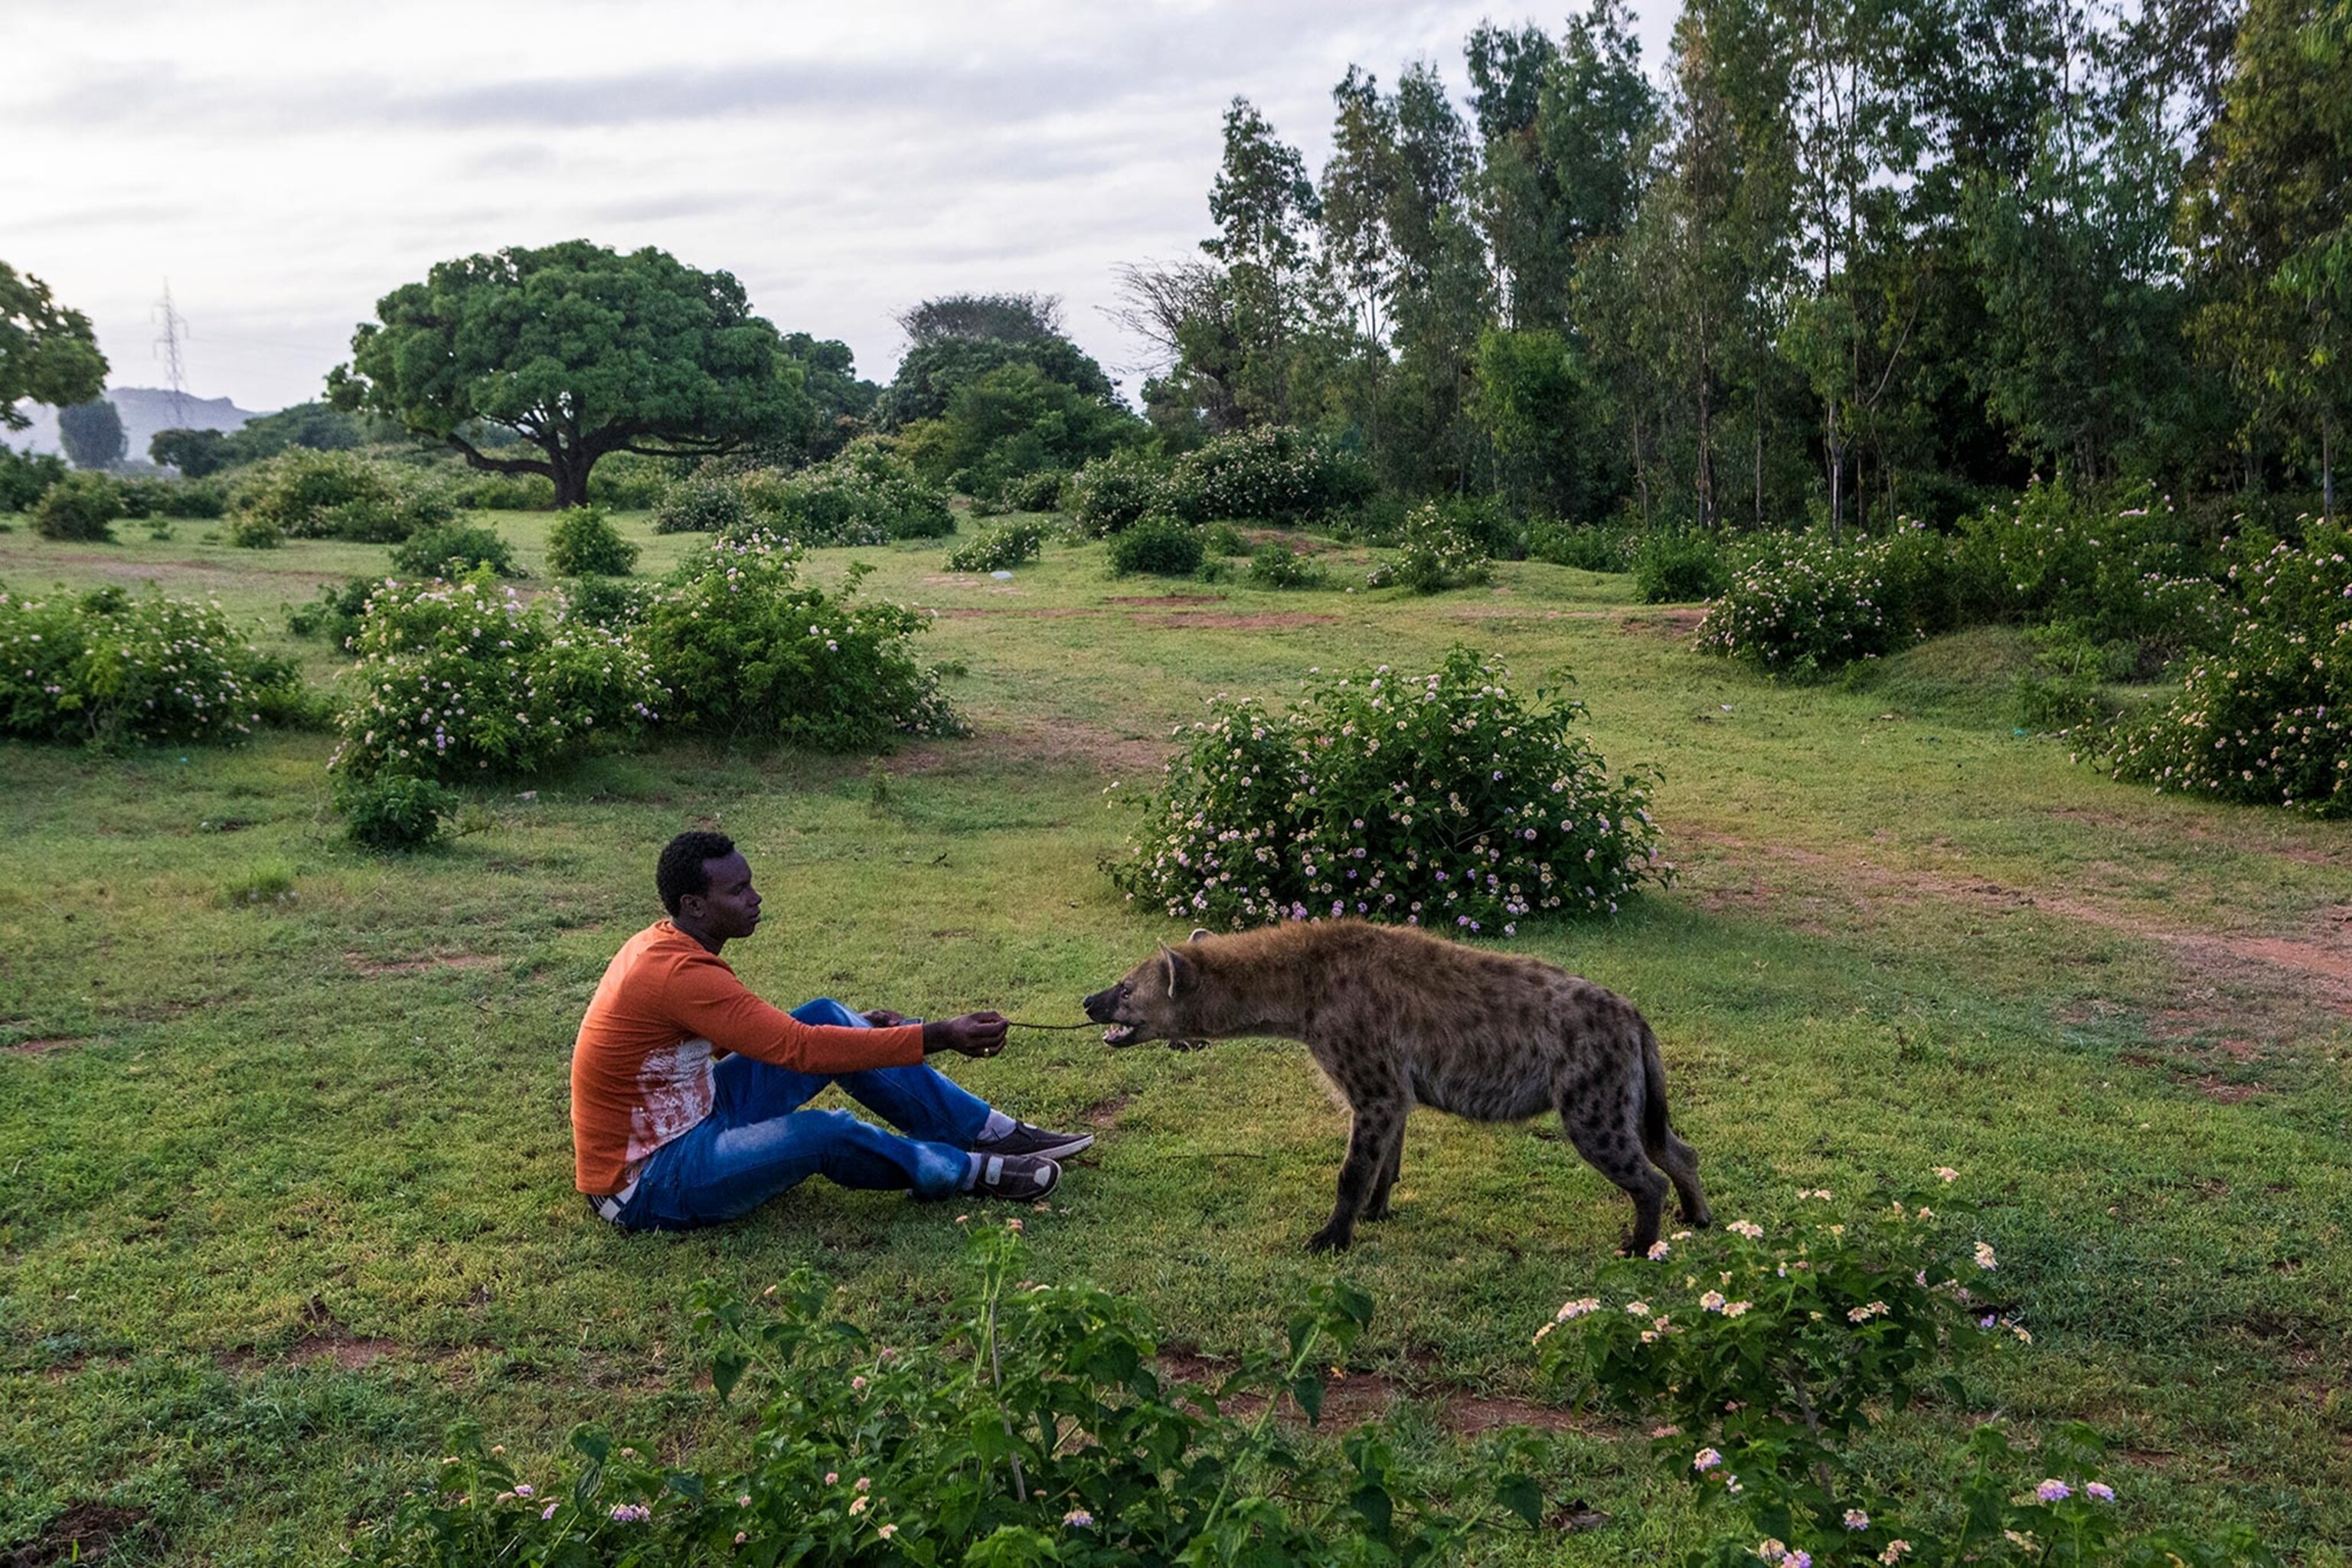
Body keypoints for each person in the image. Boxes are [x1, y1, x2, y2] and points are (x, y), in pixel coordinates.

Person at [571, 829, 1092, 1231]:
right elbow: (797, 1050)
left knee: (827, 1014)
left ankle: (986, 1132)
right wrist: (939, 1035)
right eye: (738, 890)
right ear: (694, 905)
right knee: (825, 1132)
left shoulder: (666, 944)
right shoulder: (677, 972)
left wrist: (861, 1032)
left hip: (700, 1112)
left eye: (750, 883)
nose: (755, 898)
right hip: (649, 1180)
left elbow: (737, 1040)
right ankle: (963, 1171)